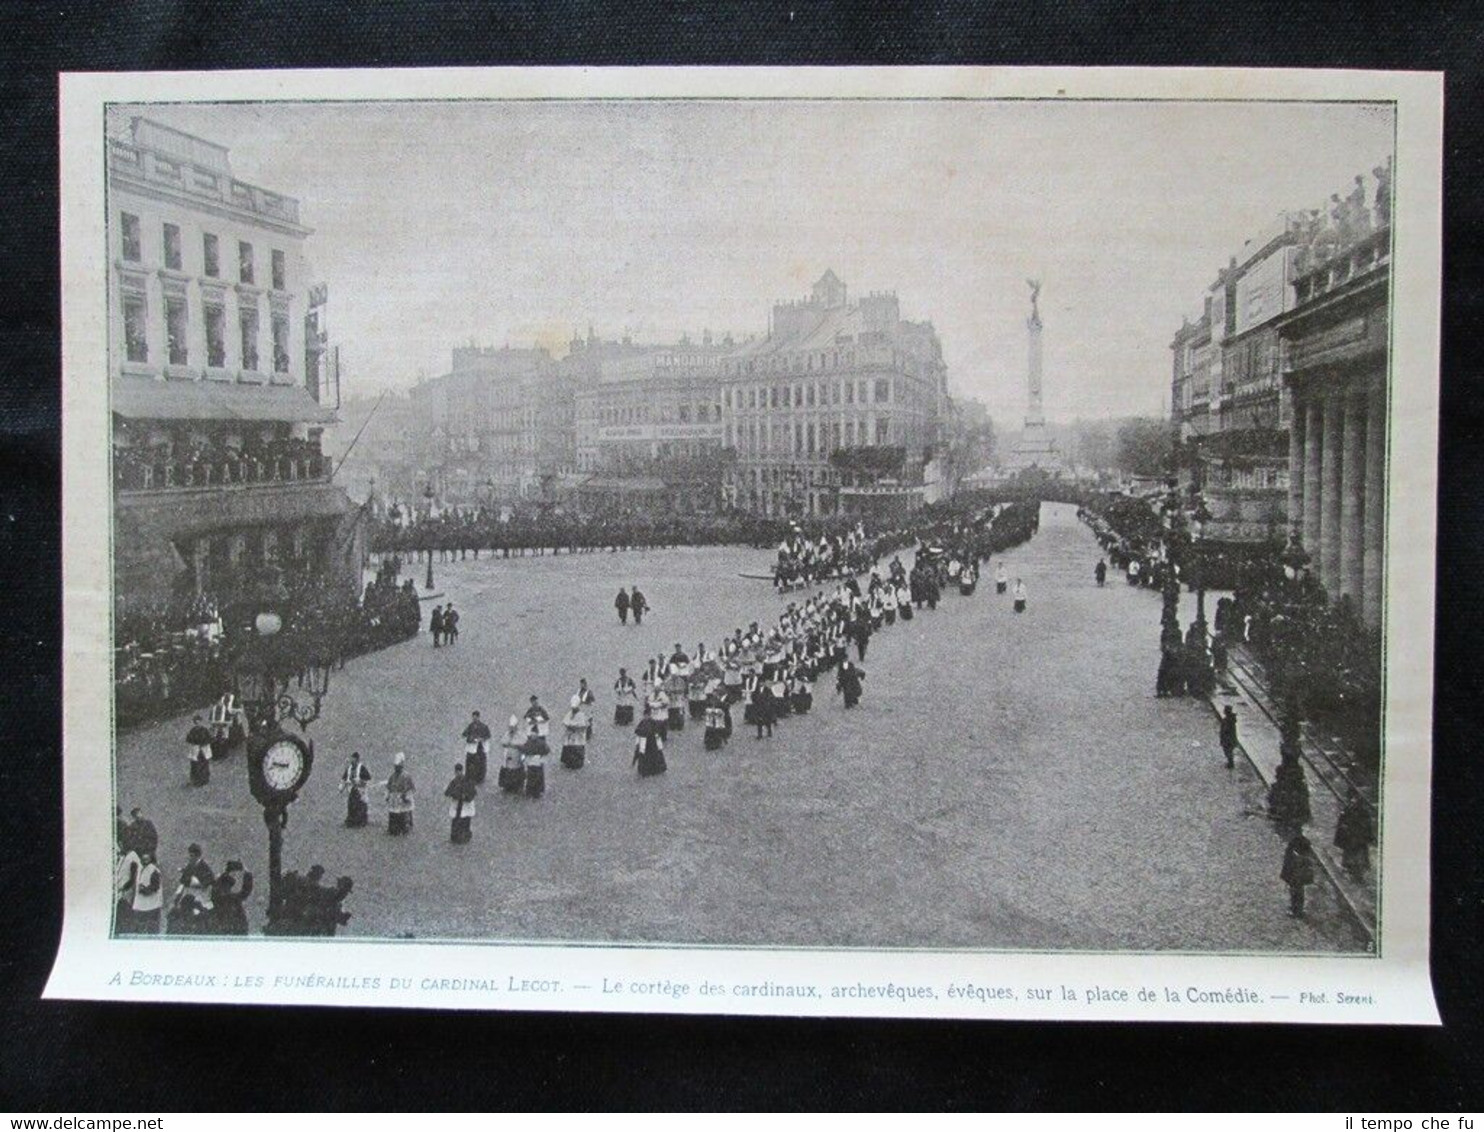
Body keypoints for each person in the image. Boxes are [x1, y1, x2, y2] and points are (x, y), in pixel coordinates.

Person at [168, 844, 215, 935]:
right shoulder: (190, 865)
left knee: (198, 920)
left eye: (192, 856)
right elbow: (183, 882)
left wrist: (194, 882)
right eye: (190, 855)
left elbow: (209, 881)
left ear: (197, 855)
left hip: (201, 898)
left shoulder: (205, 867)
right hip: (189, 897)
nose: (190, 858)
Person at [1334, 791, 1375, 879]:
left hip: (1359, 839)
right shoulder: (1347, 810)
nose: (1352, 803)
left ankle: (1358, 873)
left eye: (1354, 802)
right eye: (1352, 801)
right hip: (1350, 838)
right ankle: (1352, 871)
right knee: (1350, 856)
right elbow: (1342, 822)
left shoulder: (1364, 813)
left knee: (1359, 857)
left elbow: (1367, 826)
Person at [209, 860, 254, 935]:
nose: (237, 877)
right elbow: (244, 893)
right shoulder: (226, 890)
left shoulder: (220, 884)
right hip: (231, 927)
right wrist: (248, 875)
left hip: (224, 926)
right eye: (237, 874)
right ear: (233, 873)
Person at [125, 849, 163, 935]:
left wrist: (145, 890)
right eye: (143, 857)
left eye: (147, 857)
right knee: (140, 927)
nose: (144, 859)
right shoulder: (140, 869)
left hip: (151, 905)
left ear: (151, 858)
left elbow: (155, 887)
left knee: (151, 929)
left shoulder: (154, 870)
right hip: (141, 905)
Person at [1280, 833, 1317, 918]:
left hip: (1296, 875)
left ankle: (1296, 910)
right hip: (1297, 875)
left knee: (1296, 891)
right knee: (1297, 890)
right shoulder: (1302, 856)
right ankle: (1297, 908)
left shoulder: (1298, 857)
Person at [444, 763, 477, 844]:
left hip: (461, 805)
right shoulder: (464, 781)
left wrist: (459, 795)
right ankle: (462, 836)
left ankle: (458, 836)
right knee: (464, 821)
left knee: (460, 821)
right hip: (462, 805)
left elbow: (448, 792)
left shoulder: (456, 781)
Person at [385, 752, 416, 835]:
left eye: (398, 767)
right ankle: (393, 829)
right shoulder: (392, 776)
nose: (396, 769)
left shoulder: (406, 776)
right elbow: (389, 787)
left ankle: (404, 828)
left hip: (403, 797)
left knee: (404, 814)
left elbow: (411, 788)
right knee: (393, 814)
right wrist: (387, 795)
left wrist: (406, 796)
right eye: (395, 767)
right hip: (394, 798)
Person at [633, 704, 667, 776]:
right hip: (645, 743)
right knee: (644, 756)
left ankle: (653, 770)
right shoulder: (642, 722)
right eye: (645, 715)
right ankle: (645, 770)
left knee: (653, 756)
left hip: (652, 744)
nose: (646, 717)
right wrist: (637, 743)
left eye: (647, 715)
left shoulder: (653, 723)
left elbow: (657, 734)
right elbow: (637, 732)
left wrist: (659, 745)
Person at [341, 751, 372, 828]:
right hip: (351, 791)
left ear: (357, 760)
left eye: (354, 760)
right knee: (351, 806)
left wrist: (360, 782)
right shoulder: (349, 769)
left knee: (361, 806)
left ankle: (361, 821)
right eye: (352, 760)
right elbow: (344, 779)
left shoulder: (362, 768)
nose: (352, 762)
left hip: (360, 791)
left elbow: (368, 779)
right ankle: (351, 821)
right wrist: (342, 786)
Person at [498, 715, 527, 794]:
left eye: (513, 727)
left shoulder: (521, 735)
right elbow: (503, 742)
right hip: (508, 755)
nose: (511, 729)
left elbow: (524, 744)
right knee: (507, 769)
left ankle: (517, 786)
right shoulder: (507, 734)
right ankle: (507, 786)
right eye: (510, 727)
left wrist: (516, 745)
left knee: (516, 769)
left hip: (516, 755)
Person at [462, 711, 492, 784]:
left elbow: (488, 735)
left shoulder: (483, 726)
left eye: (476, 718)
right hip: (471, 747)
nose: (474, 719)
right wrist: (471, 738)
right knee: (470, 762)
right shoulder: (470, 726)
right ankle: (469, 776)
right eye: (473, 718)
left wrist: (481, 739)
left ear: (478, 717)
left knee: (480, 762)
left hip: (479, 747)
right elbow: (464, 734)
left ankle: (479, 777)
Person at [560, 696, 589, 770]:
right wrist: (568, 725)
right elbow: (565, 721)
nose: (573, 710)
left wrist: (574, 726)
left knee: (576, 749)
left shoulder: (581, 715)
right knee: (569, 748)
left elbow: (583, 725)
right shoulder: (569, 713)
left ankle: (576, 764)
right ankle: (568, 762)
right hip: (570, 735)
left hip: (577, 736)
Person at [185, 714, 213, 786]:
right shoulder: (193, 731)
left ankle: (204, 779)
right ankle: (196, 780)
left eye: (199, 722)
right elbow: (189, 740)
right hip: (196, 751)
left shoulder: (204, 730)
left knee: (204, 765)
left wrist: (203, 744)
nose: (198, 724)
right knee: (195, 765)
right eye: (196, 722)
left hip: (203, 750)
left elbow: (209, 739)